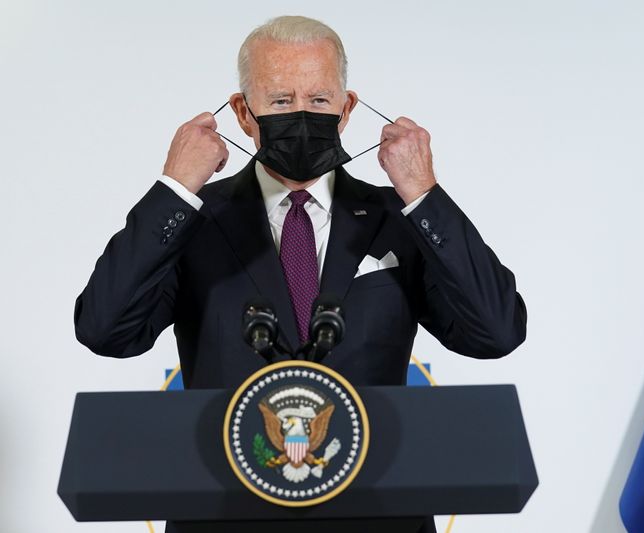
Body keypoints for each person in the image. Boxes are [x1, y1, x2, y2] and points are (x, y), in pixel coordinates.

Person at [74, 15, 526, 533]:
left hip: (378, 520)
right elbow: (106, 330)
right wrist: (175, 188)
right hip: (226, 519)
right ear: (244, 112)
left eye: (318, 99)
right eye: (282, 101)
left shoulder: (397, 218)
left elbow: (496, 331)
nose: (302, 115)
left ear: (347, 107)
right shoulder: (194, 221)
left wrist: (424, 195)